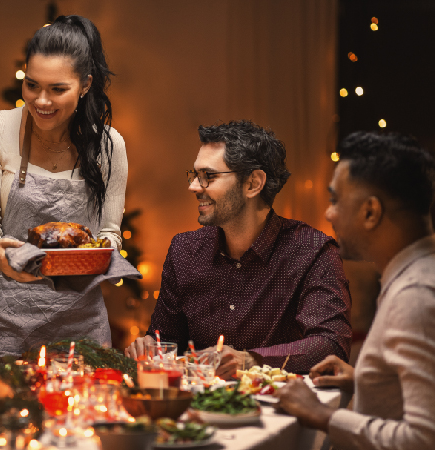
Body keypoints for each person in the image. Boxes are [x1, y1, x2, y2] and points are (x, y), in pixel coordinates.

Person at [274, 131, 435, 449]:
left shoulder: (420, 296)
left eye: (335, 200)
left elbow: (431, 442)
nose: (329, 213)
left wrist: (322, 416)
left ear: (371, 212)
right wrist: (369, 381)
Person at [126, 120, 352, 377]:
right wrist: (149, 347)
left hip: (282, 409)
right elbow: (165, 342)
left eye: (208, 176)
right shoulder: (184, 251)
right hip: (201, 407)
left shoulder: (312, 251)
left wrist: (251, 360)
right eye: (195, 175)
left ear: (253, 184)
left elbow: (331, 346)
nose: (193, 187)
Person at [0, 15, 130, 360]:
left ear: (85, 85)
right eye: (32, 84)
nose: (41, 100)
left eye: (57, 89)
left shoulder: (109, 145)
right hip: (4, 323)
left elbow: (111, 234)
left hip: (81, 327)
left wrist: (94, 256)